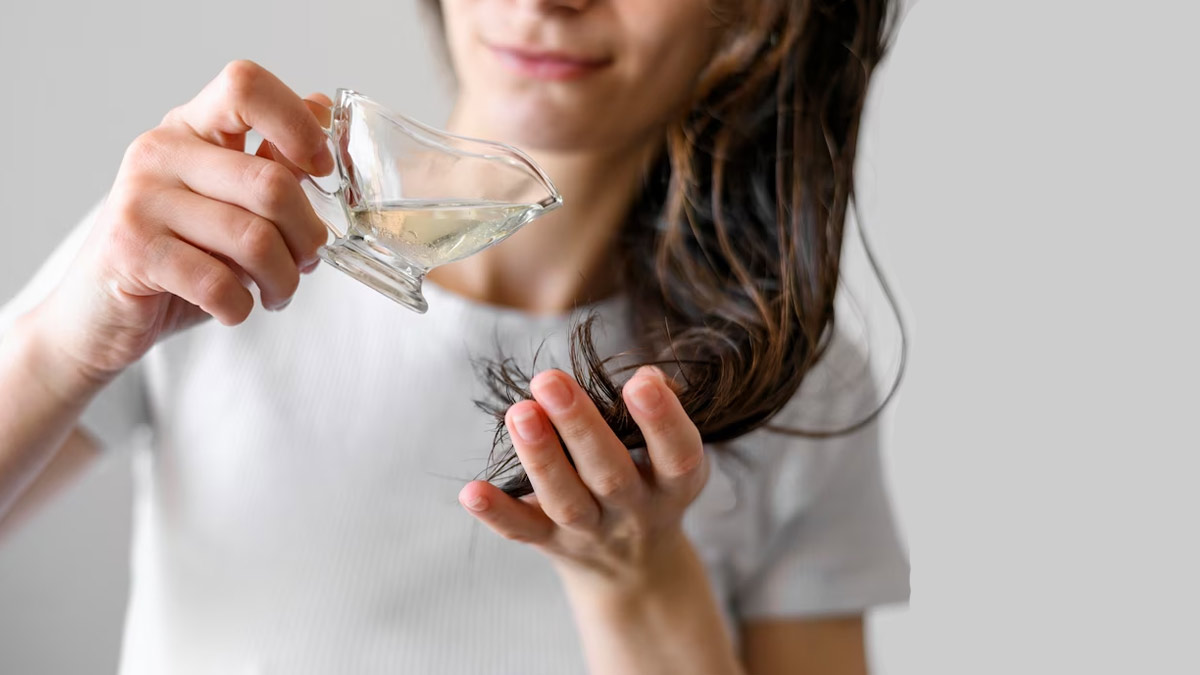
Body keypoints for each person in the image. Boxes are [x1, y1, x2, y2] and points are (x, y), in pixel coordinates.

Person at [0, 1, 909, 673]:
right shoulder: (205, 245)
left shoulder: (791, 389)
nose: (548, 2)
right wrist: (65, 345)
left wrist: (638, 581)